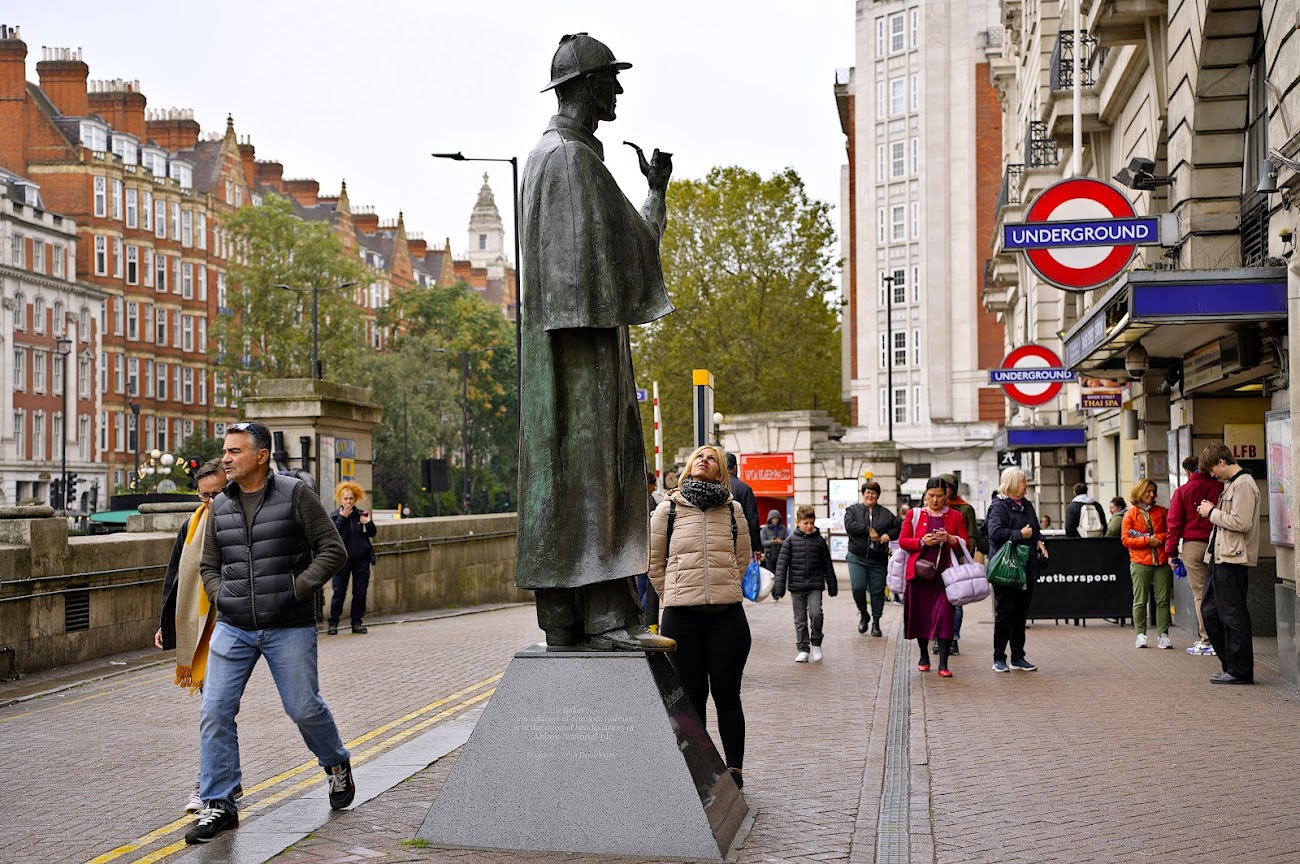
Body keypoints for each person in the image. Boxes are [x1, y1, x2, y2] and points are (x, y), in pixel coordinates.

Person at [512, 33, 675, 653]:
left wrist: (653, 193)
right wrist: (655, 196)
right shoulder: (573, 160)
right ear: (583, 87)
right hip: (582, 349)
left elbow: (623, 247)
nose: (619, 91)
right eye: (610, 80)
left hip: (557, 348)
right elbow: (624, 259)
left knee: (567, 474)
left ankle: (564, 618)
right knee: (600, 470)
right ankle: (607, 618)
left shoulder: (545, 158)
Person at [188, 420, 352, 844]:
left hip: (288, 625)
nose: (226, 458)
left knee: (303, 708)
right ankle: (219, 803)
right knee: (215, 711)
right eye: (225, 451)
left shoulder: (296, 494)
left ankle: (335, 763)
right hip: (233, 626)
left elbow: (333, 550)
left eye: (235, 451)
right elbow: (209, 565)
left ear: (261, 456)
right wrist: (221, 597)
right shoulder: (218, 505)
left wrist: (294, 590)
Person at [649, 445, 752, 788]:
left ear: (721, 470)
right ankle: (700, 770)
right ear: (689, 467)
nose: (704, 460)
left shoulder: (733, 509)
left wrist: (724, 586)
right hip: (683, 617)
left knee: (727, 695)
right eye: (699, 457)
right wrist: (672, 594)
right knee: (691, 698)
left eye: (712, 458)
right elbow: (653, 561)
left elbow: (743, 558)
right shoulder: (669, 509)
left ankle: (734, 770)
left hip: (727, 617)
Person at [154, 458, 228, 815]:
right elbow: (176, 579)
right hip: (200, 632)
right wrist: (165, 625)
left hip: (233, 626)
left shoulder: (241, 523)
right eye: (204, 496)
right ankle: (218, 782)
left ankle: (210, 784)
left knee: (215, 710)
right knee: (215, 710)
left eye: (217, 494)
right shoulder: (191, 525)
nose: (210, 502)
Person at [1197, 443, 1260, 685]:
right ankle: (1231, 666)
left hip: (1233, 558)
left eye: (1213, 469)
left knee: (1232, 615)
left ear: (1222, 462)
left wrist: (1211, 512)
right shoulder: (1233, 484)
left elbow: (1241, 522)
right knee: (1211, 611)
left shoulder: (1243, 484)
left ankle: (1240, 670)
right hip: (1221, 556)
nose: (1212, 474)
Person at [899, 478, 968, 677]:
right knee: (921, 616)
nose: (935, 500)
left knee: (946, 616)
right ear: (925, 495)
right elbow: (903, 541)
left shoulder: (956, 516)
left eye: (939, 496)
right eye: (931, 496)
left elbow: (965, 544)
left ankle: (944, 663)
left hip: (946, 576)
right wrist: (921, 541)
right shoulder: (914, 514)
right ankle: (923, 655)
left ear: (946, 496)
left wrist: (951, 539)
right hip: (920, 574)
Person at [986, 467, 1047, 673]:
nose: (1026, 485)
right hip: (1006, 569)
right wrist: (1020, 534)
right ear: (1012, 483)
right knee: (1005, 613)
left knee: (1021, 614)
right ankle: (999, 657)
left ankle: (1018, 656)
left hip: (1026, 567)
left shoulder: (1027, 505)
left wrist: (1039, 541)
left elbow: (1035, 530)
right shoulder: (998, 506)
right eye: (1022, 481)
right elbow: (994, 533)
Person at [1165, 456, 1223, 656]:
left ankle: (1208, 639)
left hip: (1193, 546)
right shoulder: (1220, 488)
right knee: (1221, 592)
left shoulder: (1182, 492)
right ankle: (1224, 638)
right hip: (1219, 544)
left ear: (1188, 473)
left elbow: (1174, 525)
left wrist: (1171, 553)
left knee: (1201, 594)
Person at [772, 504, 837, 662]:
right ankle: (803, 648)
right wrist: (779, 588)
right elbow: (781, 565)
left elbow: (827, 564)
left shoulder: (820, 542)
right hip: (797, 586)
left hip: (815, 585)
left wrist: (832, 585)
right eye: (805, 523)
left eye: (811, 523)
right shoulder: (790, 542)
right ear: (798, 522)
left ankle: (816, 643)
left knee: (816, 614)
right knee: (800, 620)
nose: (809, 526)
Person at [1122, 479, 1173, 650]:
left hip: (1161, 561)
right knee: (1140, 600)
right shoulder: (1130, 514)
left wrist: (1157, 539)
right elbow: (1125, 539)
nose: (1151, 495)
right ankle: (1140, 635)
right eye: (1148, 491)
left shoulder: (1162, 512)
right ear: (1139, 492)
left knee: (1163, 601)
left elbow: (1171, 532)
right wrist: (1147, 541)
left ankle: (1163, 635)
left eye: (1153, 491)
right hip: (1139, 562)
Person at [843, 481, 895, 637]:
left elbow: (898, 526)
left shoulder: (886, 514)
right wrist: (868, 530)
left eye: (873, 493)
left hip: (878, 558)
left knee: (877, 591)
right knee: (858, 588)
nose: (870, 495)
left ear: (877, 496)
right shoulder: (853, 510)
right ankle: (864, 613)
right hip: (856, 556)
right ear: (863, 493)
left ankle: (876, 622)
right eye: (867, 492)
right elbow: (849, 525)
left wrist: (889, 535)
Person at [327, 482, 377, 635]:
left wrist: (368, 523)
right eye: (345, 499)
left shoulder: (361, 515)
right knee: (339, 592)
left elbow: (372, 533)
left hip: (361, 560)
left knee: (360, 592)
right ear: (340, 500)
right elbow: (332, 534)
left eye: (351, 499)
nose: (348, 502)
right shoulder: (335, 516)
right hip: (343, 560)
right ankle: (333, 623)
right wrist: (342, 518)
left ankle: (357, 622)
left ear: (355, 499)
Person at [937, 473, 975, 655]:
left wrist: (964, 557)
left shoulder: (964, 509)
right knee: (937, 601)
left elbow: (972, 537)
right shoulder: (932, 508)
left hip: (957, 560)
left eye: (947, 488)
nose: (943, 492)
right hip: (936, 562)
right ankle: (939, 637)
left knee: (956, 601)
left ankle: (953, 638)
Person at [726, 452, 763, 561]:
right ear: (735, 468)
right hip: (741, 545)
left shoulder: (715, 488)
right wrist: (757, 547)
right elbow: (752, 520)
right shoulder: (744, 489)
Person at [638, 471, 662, 631]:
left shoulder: (637, 499)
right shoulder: (650, 501)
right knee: (648, 584)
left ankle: (640, 613)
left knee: (641, 585)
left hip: (637, 549)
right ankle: (644, 613)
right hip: (647, 549)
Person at [760, 510, 788, 575]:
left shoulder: (783, 529)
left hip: (780, 556)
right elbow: (763, 542)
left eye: (776, 518)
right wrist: (772, 542)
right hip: (769, 557)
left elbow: (787, 542)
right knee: (770, 575)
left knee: (780, 574)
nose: (775, 520)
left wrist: (780, 542)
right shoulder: (765, 529)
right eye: (773, 518)